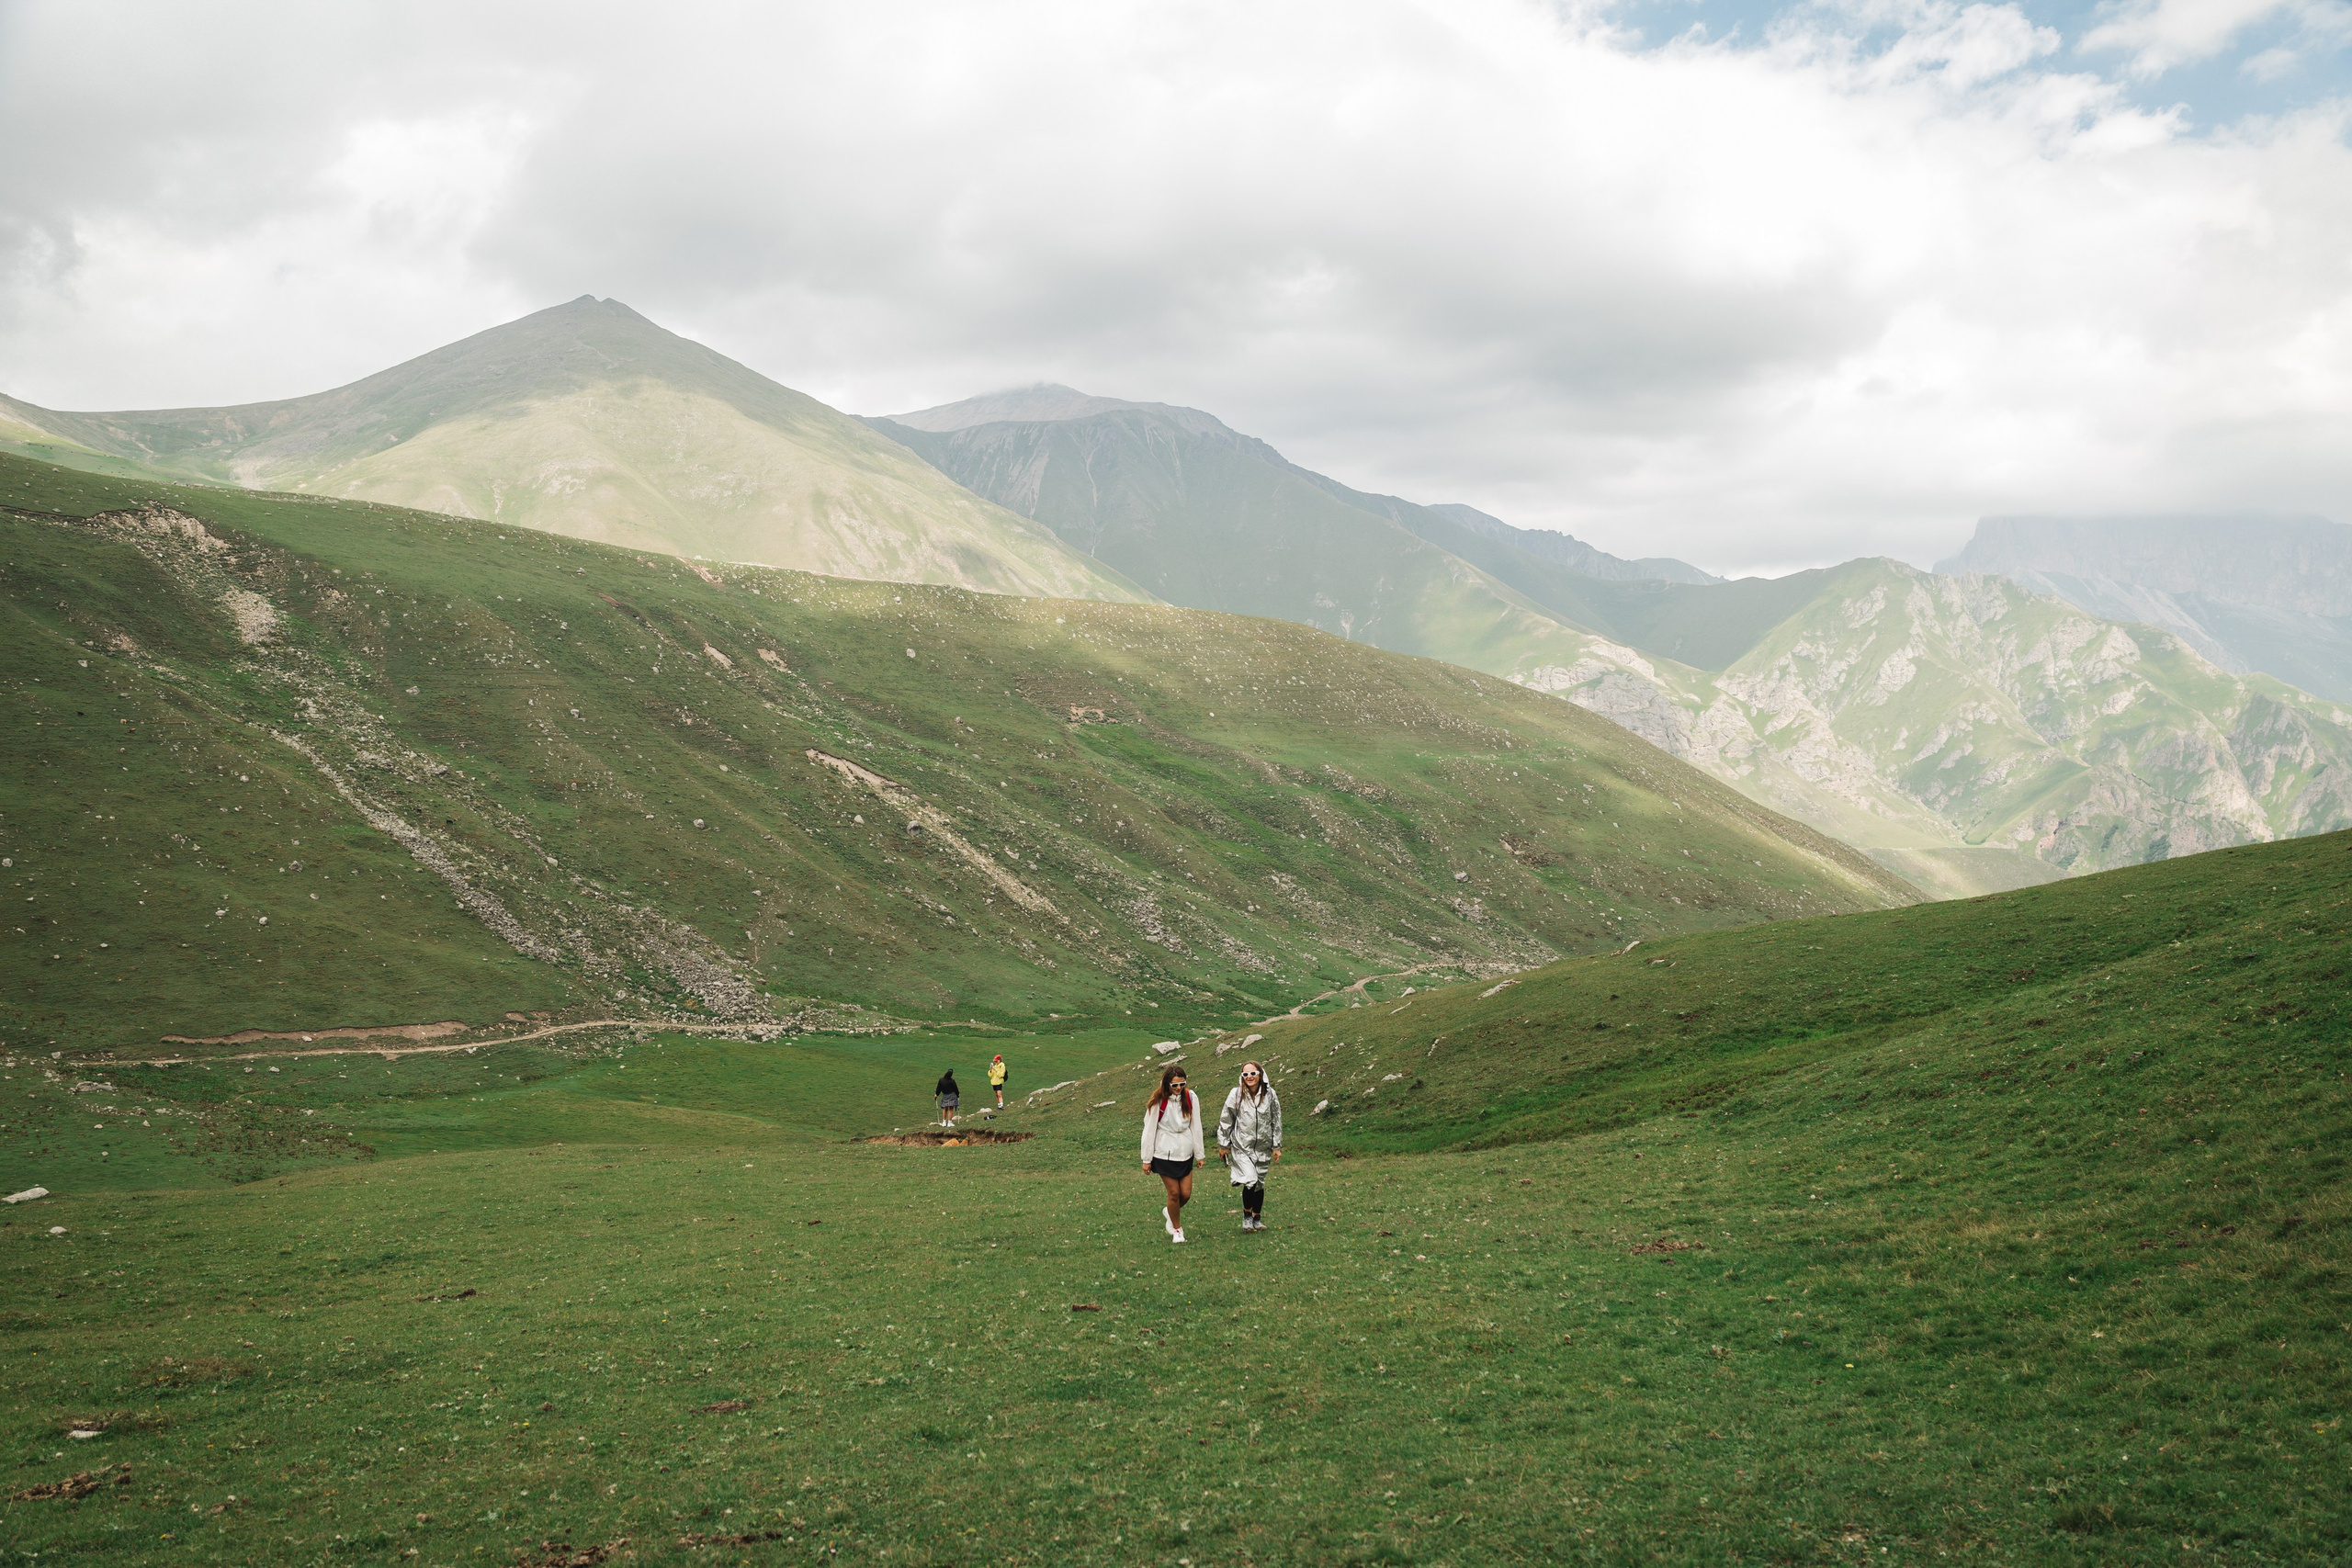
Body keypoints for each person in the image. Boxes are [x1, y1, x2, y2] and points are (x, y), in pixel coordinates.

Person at [1139, 1064, 1204, 1244]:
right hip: (1163, 1152)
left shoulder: (1191, 1097)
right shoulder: (1158, 1100)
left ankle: (1169, 1211)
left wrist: (1200, 1154)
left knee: (1186, 1194)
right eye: (1174, 1085)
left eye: (1181, 1084)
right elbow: (1149, 1129)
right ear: (1166, 1084)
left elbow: (1196, 1125)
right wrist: (1146, 1159)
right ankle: (1177, 1230)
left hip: (1185, 1151)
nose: (1178, 1089)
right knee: (1174, 1193)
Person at [1216, 1060, 1283, 1232]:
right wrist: (1224, 1144)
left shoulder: (1270, 1095)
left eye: (1252, 1073)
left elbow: (1276, 1120)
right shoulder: (1236, 1094)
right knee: (1250, 1180)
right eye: (1245, 1074)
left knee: (1259, 1183)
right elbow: (1226, 1118)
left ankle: (1257, 1218)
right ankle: (1247, 1216)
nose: (1249, 1077)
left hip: (1263, 1146)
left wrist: (1276, 1146)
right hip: (1242, 1146)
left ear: (1260, 1074)